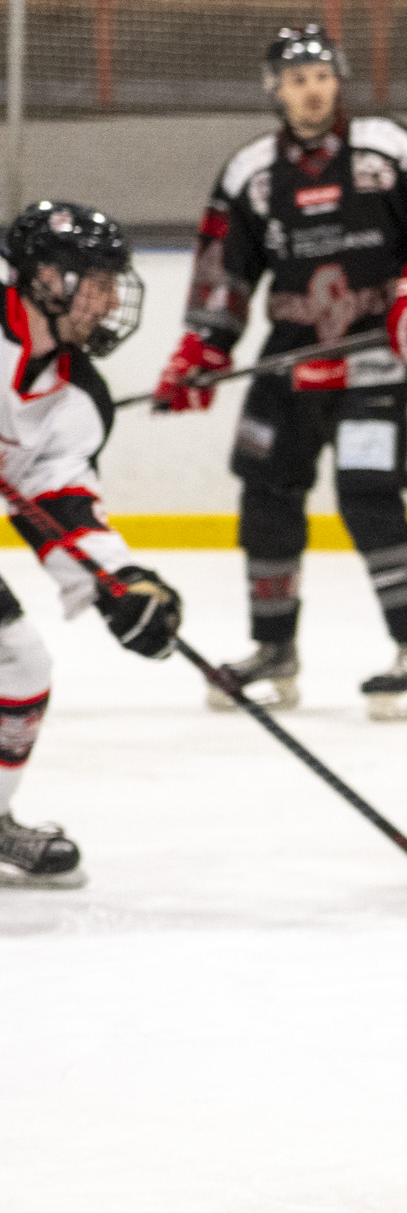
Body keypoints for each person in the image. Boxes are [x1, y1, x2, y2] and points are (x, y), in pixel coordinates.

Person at [151, 24, 407, 719]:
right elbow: (224, 273)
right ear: (275, 89)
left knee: (369, 496)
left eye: (322, 75)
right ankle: (274, 649)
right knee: (266, 496)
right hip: (289, 362)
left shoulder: (388, 149)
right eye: (297, 78)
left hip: (378, 361)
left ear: (340, 81)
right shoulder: (250, 173)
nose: (311, 89)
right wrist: (202, 350)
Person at [0, 203, 186, 885]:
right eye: (100, 281)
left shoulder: (78, 397)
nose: (111, 301)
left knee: (19, 665)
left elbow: (59, 503)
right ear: (46, 277)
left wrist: (119, 582)